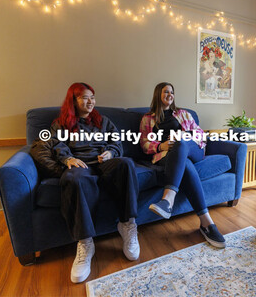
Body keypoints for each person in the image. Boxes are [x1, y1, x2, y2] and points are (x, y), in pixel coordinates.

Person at [50, 82, 140, 283]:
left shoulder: (103, 121)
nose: (90, 101)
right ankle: (85, 242)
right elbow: (57, 145)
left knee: (125, 164)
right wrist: (67, 159)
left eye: (92, 97)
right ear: (73, 100)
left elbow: (116, 141)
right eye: (84, 97)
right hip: (81, 164)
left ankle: (128, 225)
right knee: (74, 179)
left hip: (103, 162)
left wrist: (111, 152)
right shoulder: (61, 124)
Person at [139, 82, 226, 248]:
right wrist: (160, 146)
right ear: (158, 94)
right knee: (183, 162)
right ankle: (206, 223)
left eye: (172, 92)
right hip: (167, 155)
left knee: (181, 142)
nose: (170, 95)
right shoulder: (147, 118)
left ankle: (168, 199)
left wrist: (185, 135)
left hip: (193, 149)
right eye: (166, 92)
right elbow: (144, 143)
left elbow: (200, 134)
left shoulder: (183, 114)